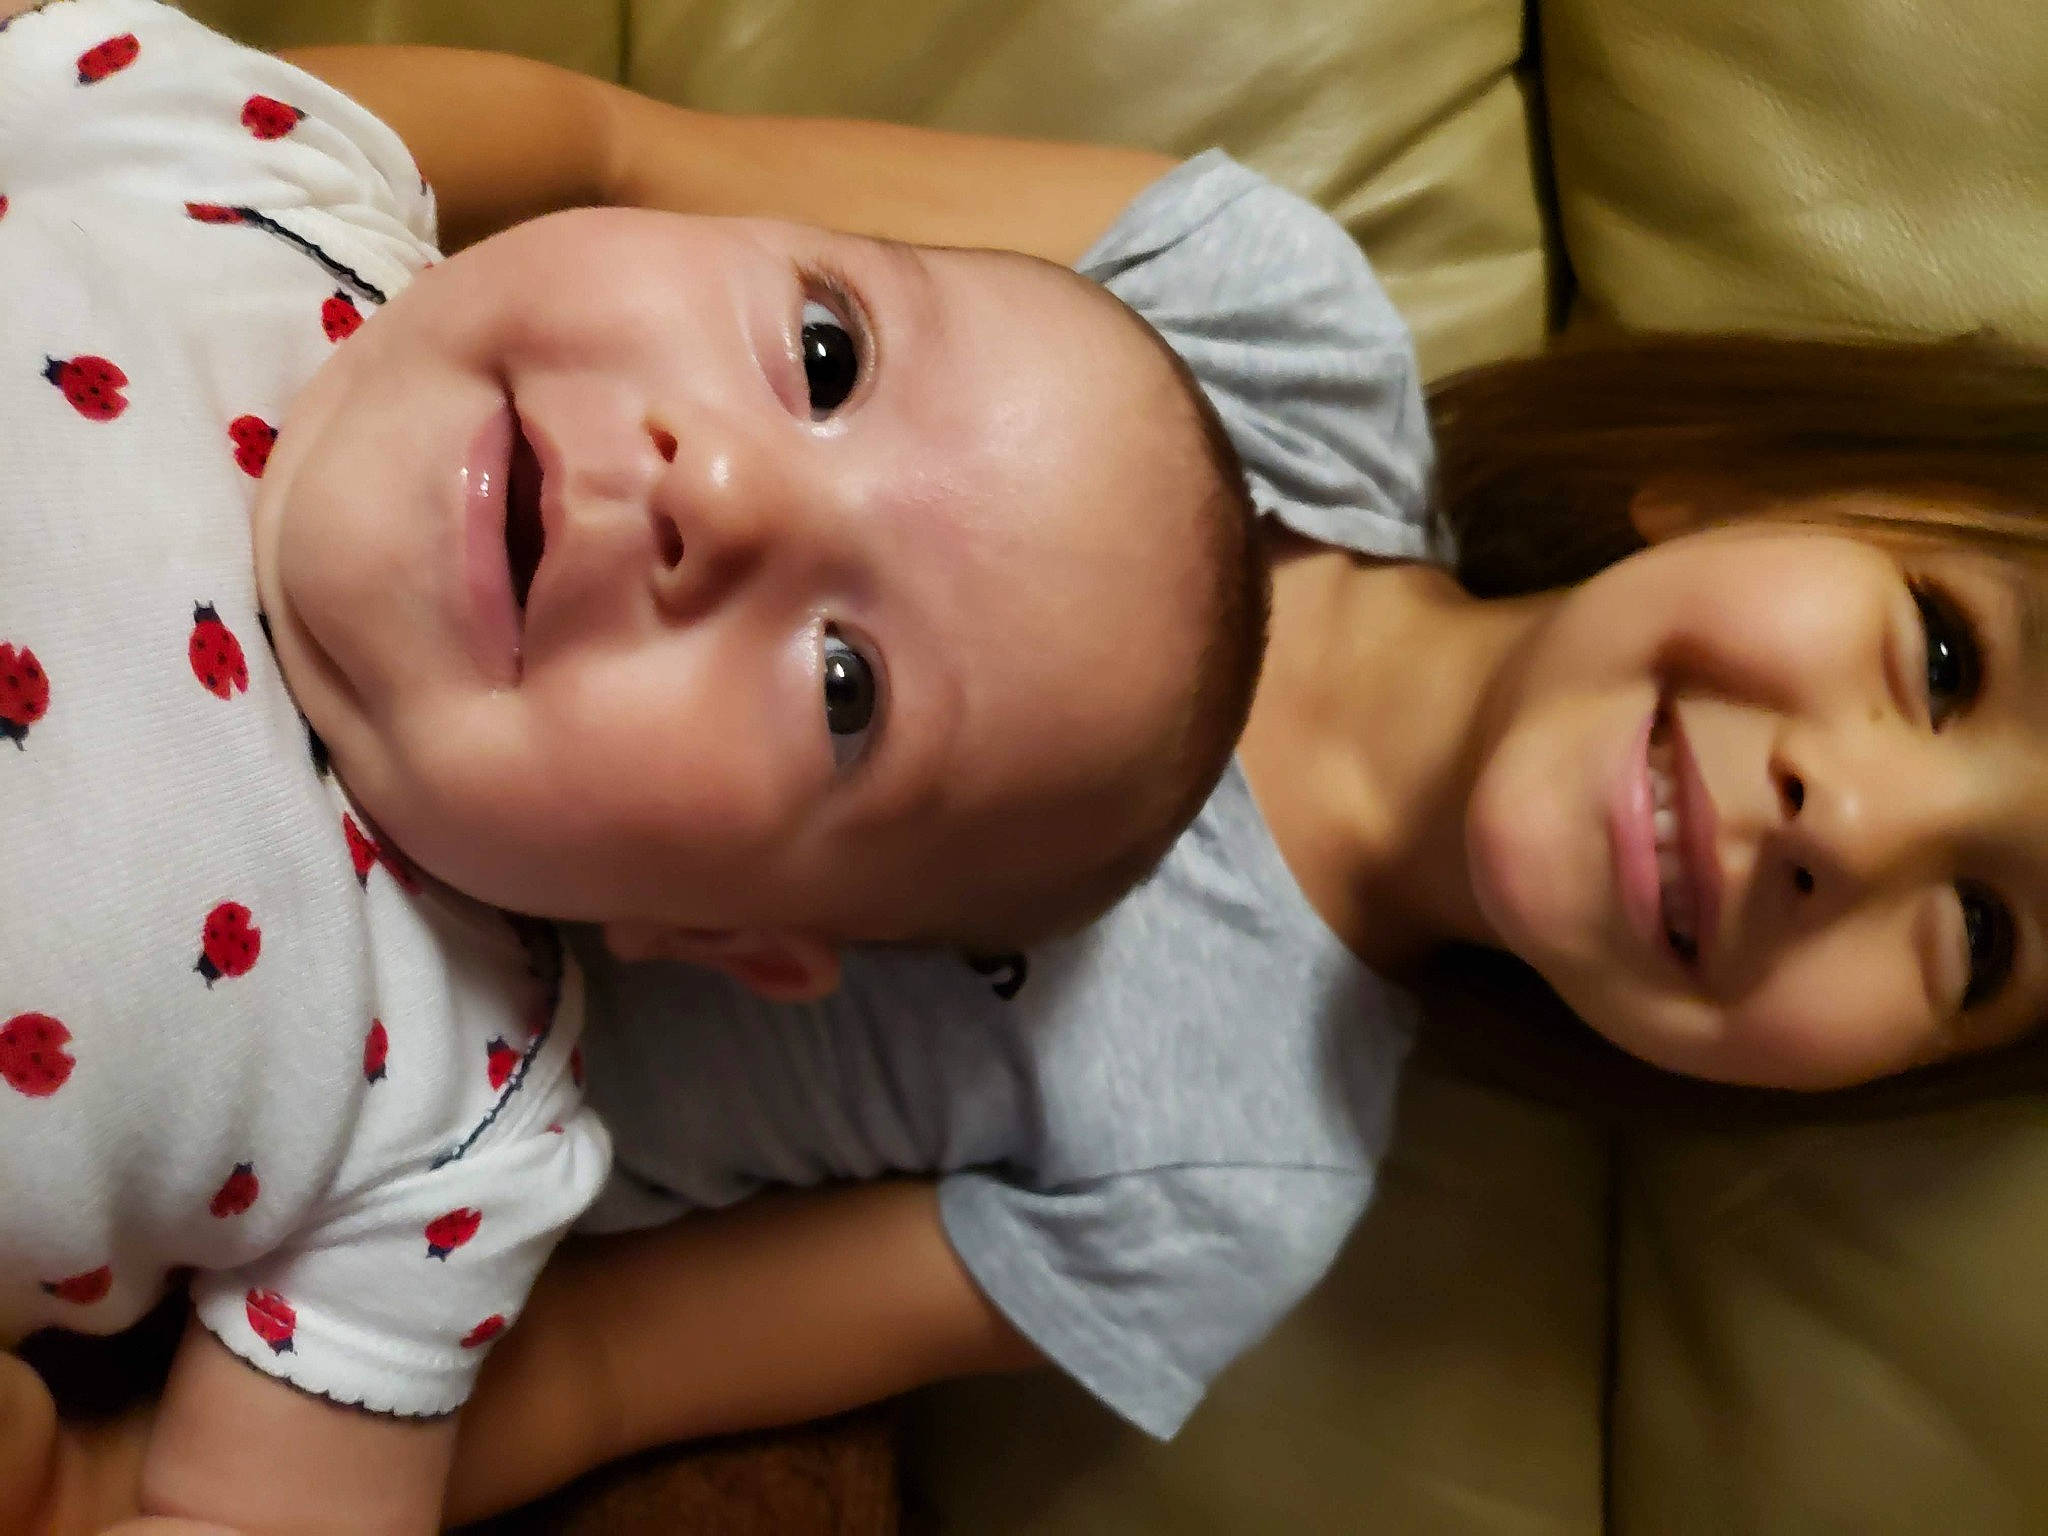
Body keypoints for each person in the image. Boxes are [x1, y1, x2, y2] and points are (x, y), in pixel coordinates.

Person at [216, 37, 2048, 1532]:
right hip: (256, 462)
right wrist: (175, 127)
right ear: (1743, 488)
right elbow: (608, 150)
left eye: (1982, 936)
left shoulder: (1234, 1183)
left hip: (221, 1089)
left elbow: (601, 1365)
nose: (1857, 826)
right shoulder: (1268, 315)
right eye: (1945, 654)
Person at [0, 2, 1270, 1531]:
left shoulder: (454, 1141)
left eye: (847, 687)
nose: (725, 492)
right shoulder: (259, 167)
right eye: (824, 354)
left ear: (721, 934)